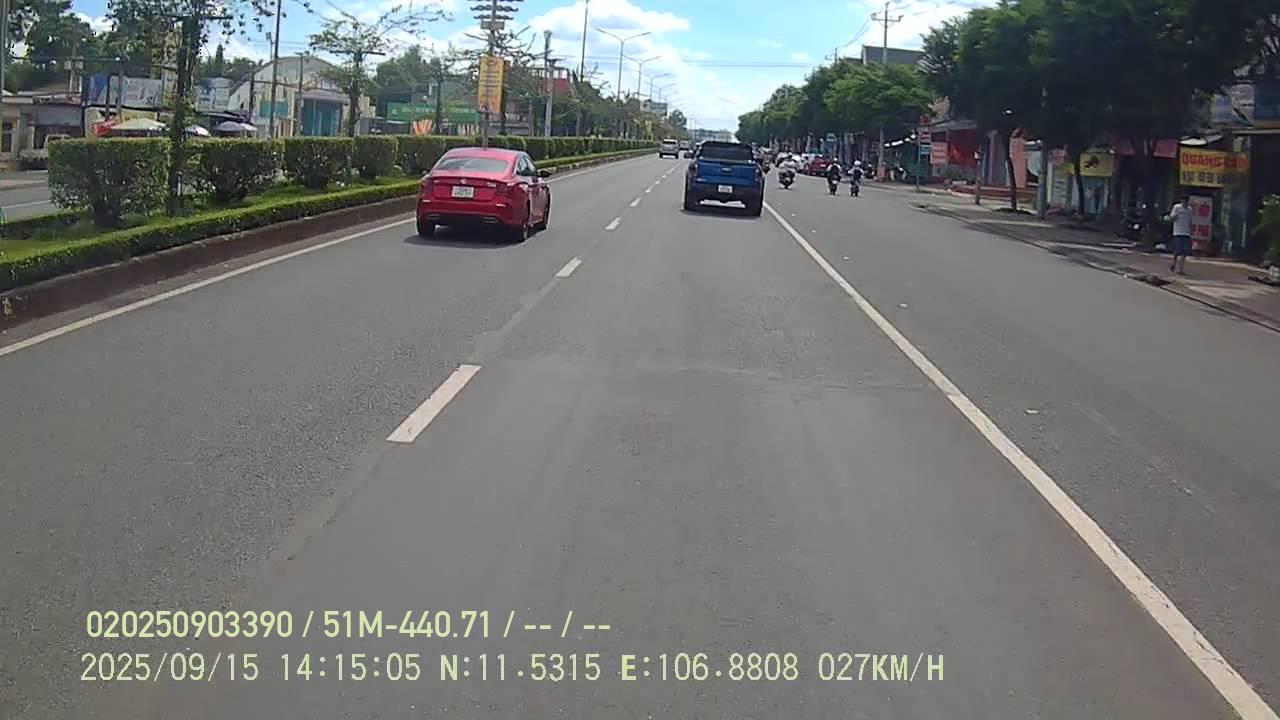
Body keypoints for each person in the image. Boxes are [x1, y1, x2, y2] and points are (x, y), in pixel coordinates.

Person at [1165, 194, 1193, 275]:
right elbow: (1172, 217)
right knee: (1177, 251)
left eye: (1187, 201)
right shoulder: (1177, 207)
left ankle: (1180, 269)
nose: (1185, 203)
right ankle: (1173, 264)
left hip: (1186, 233)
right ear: (1181, 201)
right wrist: (1172, 217)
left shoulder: (1189, 210)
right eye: (1184, 201)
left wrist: (1191, 231)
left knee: (1184, 252)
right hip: (1178, 232)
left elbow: (1190, 221)